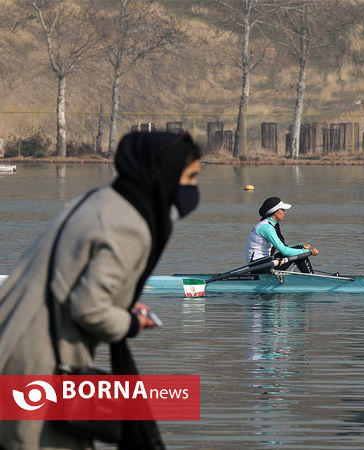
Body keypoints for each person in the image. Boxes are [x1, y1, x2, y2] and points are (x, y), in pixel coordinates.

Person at [0, 132, 201, 450]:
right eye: (189, 177)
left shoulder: (96, 201)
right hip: (40, 367)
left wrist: (121, 306)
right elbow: (88, 309)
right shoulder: (129, 224)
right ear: (163, 173)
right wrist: (132, 323)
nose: (192, 189)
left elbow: (70, 280)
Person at [246, 196, 318, 273]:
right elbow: (284, 251)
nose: (285, 212)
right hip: (258, 266)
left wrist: (300, 245)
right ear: (275, 211)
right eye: (282, 210)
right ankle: (312, 279)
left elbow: (283, 247)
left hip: (266, 262)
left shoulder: (270, 224)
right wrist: (308, 252)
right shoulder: (266, 228)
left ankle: (310, 277)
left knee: (299, 248)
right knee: (301, 252)